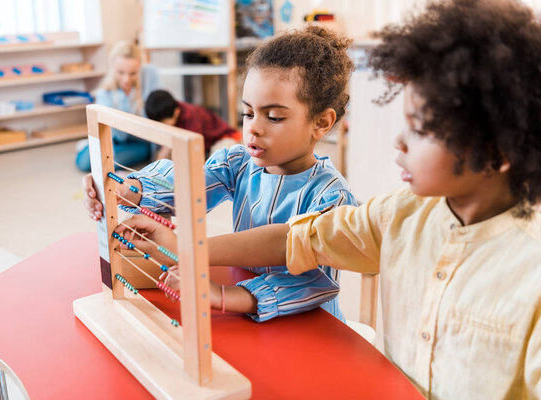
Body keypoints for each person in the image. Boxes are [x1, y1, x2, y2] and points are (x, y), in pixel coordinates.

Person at [117, 0, 541, 398]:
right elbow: (296, 239)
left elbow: (307, 269)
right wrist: (140, 201)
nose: (398, 141)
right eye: (249, 113)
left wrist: (201, 265)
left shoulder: (529, 273)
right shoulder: (397, 215)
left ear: (496, 151)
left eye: (421, 128)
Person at [86, 26, 357, 322]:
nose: (253, 127)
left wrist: (225, 295)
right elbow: (186, 186)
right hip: (252, 322)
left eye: (274, 117)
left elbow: (309, 276)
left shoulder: (332, 197)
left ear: (321, 122)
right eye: (248, 113)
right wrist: (129, 187)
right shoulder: (239, 163)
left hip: (311, 330)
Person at [75, 40, 161, 172]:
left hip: (141, 141)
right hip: (117, 139)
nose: (126, 79)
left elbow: (160, 111)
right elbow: (106, 130)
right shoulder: (105, 92)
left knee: (109, 161)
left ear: (139, 68)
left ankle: (90, 149)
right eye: (121, 72)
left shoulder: (150, 75)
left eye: (132, 73)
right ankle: (87, 147)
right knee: (85, 162)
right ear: (112, 68)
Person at [144, 89, 241, 159]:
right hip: (204, 144)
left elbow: (194, 149)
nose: (163, 127)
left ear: (176, 112)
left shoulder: (191, 116)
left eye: (165, 123)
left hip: (222, 137)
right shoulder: (168, 113)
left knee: (219, 159)